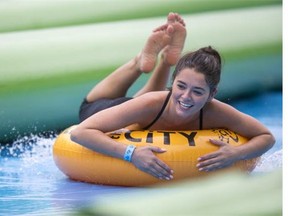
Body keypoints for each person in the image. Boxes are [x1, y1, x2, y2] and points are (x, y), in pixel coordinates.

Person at [71, 12, 275, 181]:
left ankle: (167, 60)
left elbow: (267, 137)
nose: (186, 97)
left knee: (145, 103)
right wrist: (131, 153)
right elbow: (80, 133)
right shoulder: (151, 102)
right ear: (173, 82)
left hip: (146, 110)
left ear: (212, 94)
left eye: (197, 91)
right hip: (122, 107)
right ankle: (140, 62)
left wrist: (236, 153)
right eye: (181, 86)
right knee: (89, 107)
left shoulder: (217, 112)